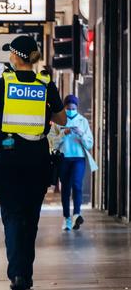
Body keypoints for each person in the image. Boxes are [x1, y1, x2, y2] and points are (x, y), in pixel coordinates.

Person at [0, 35, 66, 290]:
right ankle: (25, 273)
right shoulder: (45, 84)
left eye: (10, 54)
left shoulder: (4, 83)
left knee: (13, 217)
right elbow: (61, 119)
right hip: (37, 158)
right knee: (31, 218)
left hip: (9, 157)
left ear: (16, 56)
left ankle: (18, 274)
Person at [48, 94, 95, 231]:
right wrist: (64, 134)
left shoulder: (83, 122)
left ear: (77, 108)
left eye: (73, 108)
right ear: (64, 108)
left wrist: (81, 134)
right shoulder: (58, 122)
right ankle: (66, 218)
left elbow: (90, 144)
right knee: (66, 188)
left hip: (78, 159)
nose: (71, 110)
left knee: (77, 185)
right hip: (63, 158)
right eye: (68, 108)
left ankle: (76, 215)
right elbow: (52, 142)